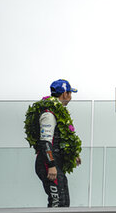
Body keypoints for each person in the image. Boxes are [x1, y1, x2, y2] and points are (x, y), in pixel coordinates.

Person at [34, 79, 81, 207]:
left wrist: (73, 154)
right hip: (47, 163)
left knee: (64, 202)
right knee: (57, 202)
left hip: (54, 163)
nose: (71, 97)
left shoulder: (58, 113)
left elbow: (60, 140)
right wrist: (51, 165)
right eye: (70, 93)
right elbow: (45, 142)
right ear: (65, 94)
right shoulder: (49, 114)